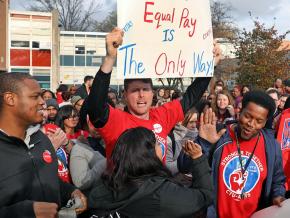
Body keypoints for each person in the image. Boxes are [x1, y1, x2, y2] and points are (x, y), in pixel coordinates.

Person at [85, 28, 220, 160]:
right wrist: (110, 58)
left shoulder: (161, 115)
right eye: (135, 90)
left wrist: (209, 65)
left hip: (159, 182)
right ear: (125, 95)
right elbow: (95, 107)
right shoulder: (116, 120)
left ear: (153, 93)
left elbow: (191, 97)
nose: (141, 95)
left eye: (145, 89)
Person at [179, 90, 286, 218]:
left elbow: (278, 180)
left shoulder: (272, 146)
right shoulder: (218, 135)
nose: (251, 124)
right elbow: (183, 166)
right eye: (248, 116)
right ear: (239, 112)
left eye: (259, 121)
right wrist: (204, 142)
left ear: (265, 122)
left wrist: (278, 195)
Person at [0, 72, 87, 217]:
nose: (43, 102)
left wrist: (71, 191)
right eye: (35, 97)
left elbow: (48, 178)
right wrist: (26, 212)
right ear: (10, 99)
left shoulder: (41, 138)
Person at [88, 127, 213, 217]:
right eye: (158, 145)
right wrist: (198, 158)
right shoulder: (161, 194)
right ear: (148, 154)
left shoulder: (105, 183)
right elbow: (205, 196)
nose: (160, 149)